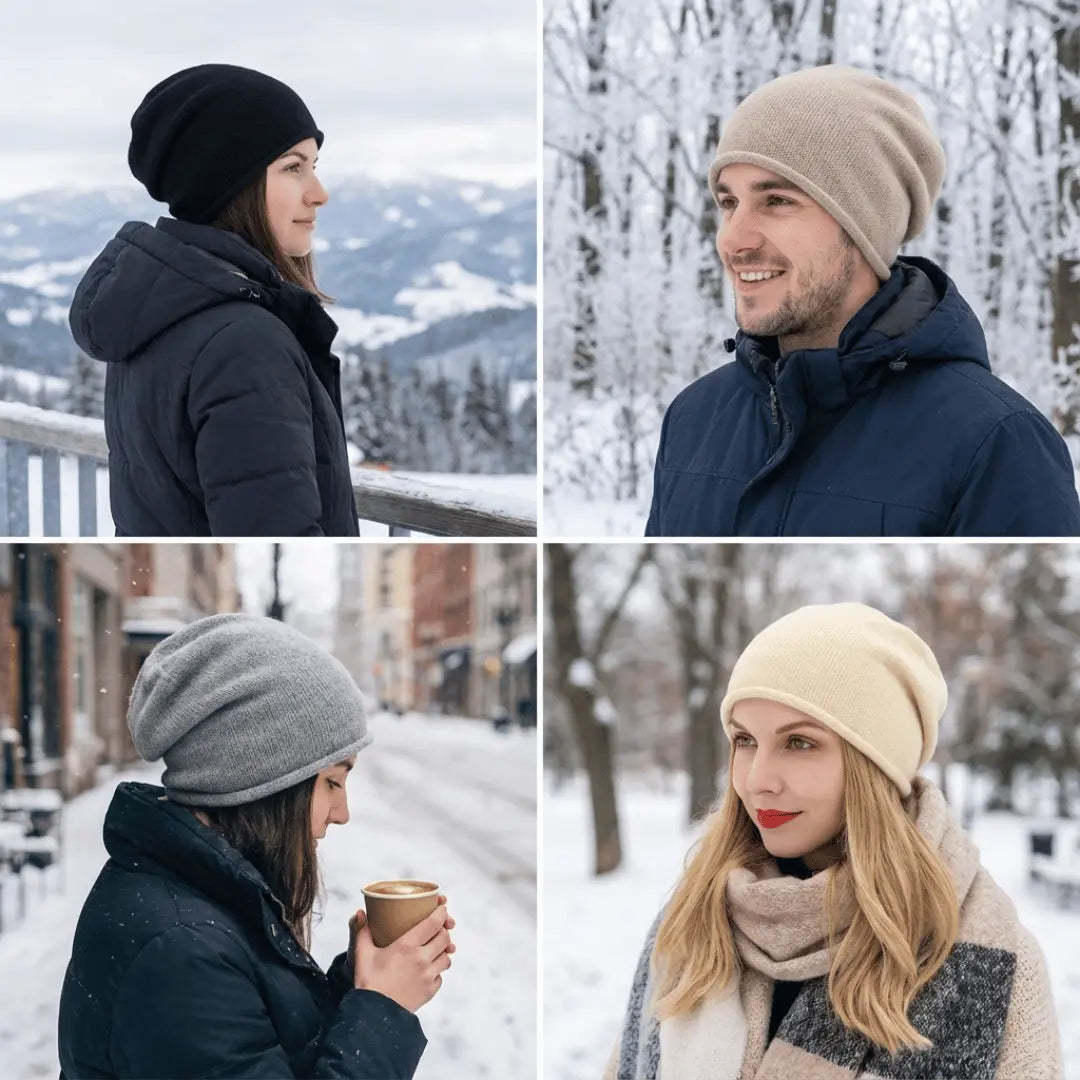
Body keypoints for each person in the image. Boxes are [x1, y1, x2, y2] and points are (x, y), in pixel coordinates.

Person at [608, 603, 1062, 1080]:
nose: (758, 779)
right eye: (745, 740)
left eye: (799, 743)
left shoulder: (991, 962)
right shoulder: (691, 920)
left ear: (875, 768)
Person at [645, 65, 1080, 537]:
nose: (734, 241)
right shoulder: (693, 418)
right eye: (728, 203)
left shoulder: (997, 442)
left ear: (864, 225)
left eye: (777, 201)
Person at [58, 613, 455, 1079]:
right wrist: (383, 1010)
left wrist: (357, 986)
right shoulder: (181, 953)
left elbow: (265, 1046)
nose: (341, 812)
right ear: (261, 779)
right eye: (332, 781)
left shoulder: (198, 899)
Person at [69, 64, 359, 536]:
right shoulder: (245, 342)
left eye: (314, 166)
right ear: (228, 180)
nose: (318, 193)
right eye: (292, 168)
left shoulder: (163, 309)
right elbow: (273, 532)